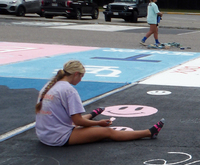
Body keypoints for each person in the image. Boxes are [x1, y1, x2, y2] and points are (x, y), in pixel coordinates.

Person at [35, 60, 165, 146]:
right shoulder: (69, 90)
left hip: (44, 134)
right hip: (57, 137)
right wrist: (99, 123)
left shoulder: (50, 85)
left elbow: (71, 118)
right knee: (107, 132)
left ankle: (92, 114)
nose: (81, 80)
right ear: (76, 74)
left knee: (77, 120)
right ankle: (149, 132)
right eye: (81, 76)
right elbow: (78, 121)